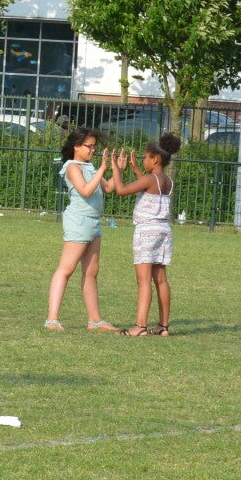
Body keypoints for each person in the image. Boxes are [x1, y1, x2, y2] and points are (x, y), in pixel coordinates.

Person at [45, 129, 121, 331]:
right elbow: (86, 190)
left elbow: (108, 188)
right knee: (66, 269)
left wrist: (117, 170)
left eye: (94, 146)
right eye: (89, 146)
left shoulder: (90, 166)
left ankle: (95, 321)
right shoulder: (72, 167)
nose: (93, 150)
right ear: (76, 146)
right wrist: (102, 169)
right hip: (79, 222)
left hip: (93, 223)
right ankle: (52, 319)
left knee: (91, 272)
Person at [110, 133, 181, 336]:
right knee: (161, 279)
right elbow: (148, 186)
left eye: (145, 158)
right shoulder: (166, 181)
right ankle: (163, 326)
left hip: (147, 231)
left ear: (155, 159)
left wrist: (116, 169)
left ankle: (140, 326)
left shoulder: (151, 179)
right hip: (163, 231)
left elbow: (121, 190)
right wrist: (135, 170)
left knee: (143, 280)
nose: (143, 161)